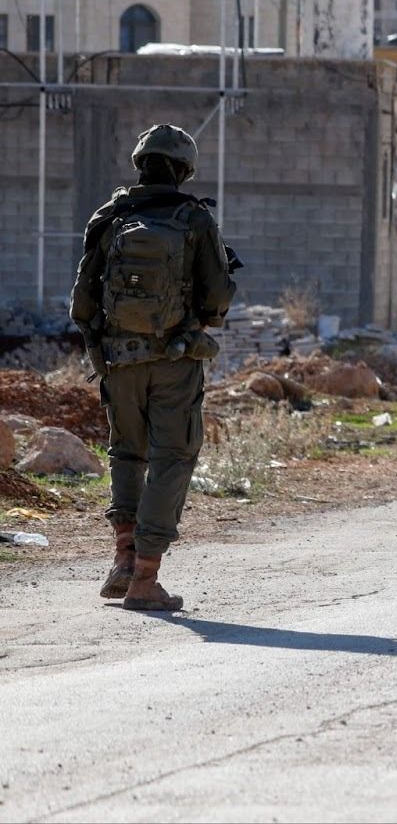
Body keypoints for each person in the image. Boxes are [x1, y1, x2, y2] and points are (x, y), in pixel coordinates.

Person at [70, 124, 237, 612]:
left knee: (126, 453)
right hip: (175, 361)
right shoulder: (195, 219)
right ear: (184, 170)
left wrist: (103, 343)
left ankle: (123, 560)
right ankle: (145, 578)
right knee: (172, 457)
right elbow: (217, 299)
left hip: (118, 362)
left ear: (140, 164)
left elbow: (82, 301)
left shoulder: (111, 215)